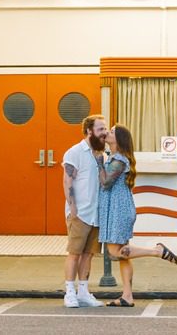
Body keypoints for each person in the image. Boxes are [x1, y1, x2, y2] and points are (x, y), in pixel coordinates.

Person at [96, 124, 177, 307]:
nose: (107, 134)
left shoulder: (119, 160)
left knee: (115, 252)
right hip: (117, 209)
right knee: (123, 255)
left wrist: (99, 162)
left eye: (111, 132)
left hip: (119, 209)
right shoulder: (115, 158)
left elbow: (105, 183)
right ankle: (127, 296)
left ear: (119, 140)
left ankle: (157, 251)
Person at [62, 114, 108, 308]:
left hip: (95, 214)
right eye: (100, 129)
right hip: (80, 213)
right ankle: (69, 292)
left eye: (105, 129)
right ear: (89, 131)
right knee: (74, 253)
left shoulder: (101, 154)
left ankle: (83, 291)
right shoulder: (75, 152)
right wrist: (72, 208)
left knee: (88, 254)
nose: (104, 133)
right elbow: (67, 181)